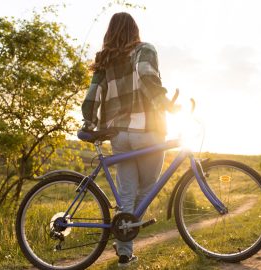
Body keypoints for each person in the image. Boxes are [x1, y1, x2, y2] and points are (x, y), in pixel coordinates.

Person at [81, 12, 178, 266]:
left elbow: (93, 95)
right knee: (147, 190)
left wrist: (89, 123)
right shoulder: (144, 50)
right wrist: (166, 105)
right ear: (135, 30)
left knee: (126, 194)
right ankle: (125, 239)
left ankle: (124, 250)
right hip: (147, 130)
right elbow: (147, 78)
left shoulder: (104, 60)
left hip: (118, 134)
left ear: (110, 32)